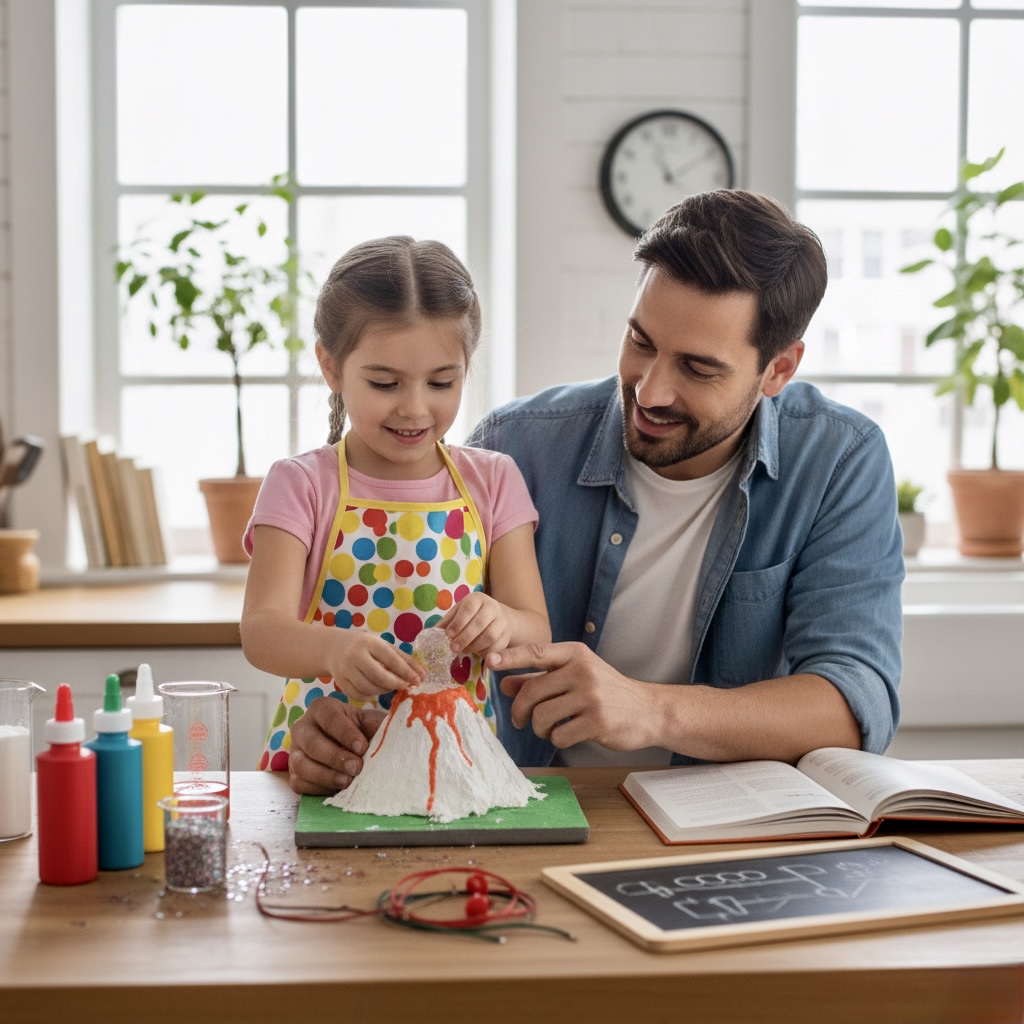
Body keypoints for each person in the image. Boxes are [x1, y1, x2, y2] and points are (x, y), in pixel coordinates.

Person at [470, 189, 904, 769]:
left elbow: (855, 701)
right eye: (639, 342)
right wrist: (343, 726)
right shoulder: (512, 446)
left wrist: (649, 710)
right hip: (524, 808)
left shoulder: (838, 459)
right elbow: (409, 630)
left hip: (723, 832)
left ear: (778, 369)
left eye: (698, 367)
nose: (649, 392)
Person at [240, 236, 551, 795]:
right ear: (331, 367)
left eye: (441, 382)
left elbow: (535, 627)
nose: (414, 407)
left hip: (453, 772)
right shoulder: (302, 483)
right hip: (329, 768)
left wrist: (499, 622)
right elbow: (262, 630)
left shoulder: (494, 479)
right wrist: (333, 649)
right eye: (384, 383)